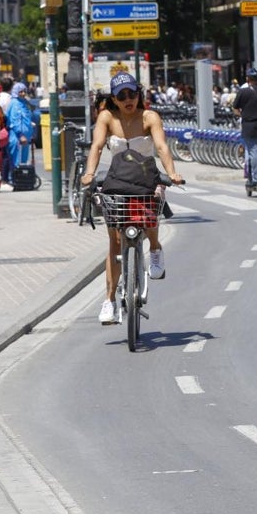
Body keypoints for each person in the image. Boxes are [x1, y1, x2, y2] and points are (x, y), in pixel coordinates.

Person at [80, 72, 184, 325]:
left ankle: (156, 249)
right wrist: (89, 173)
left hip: (146, 178)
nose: (128, 100)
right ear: (113, 99)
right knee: (115, 241)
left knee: (150, 213)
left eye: (132, 94)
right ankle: (109, 300)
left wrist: (171, 173)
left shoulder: (150, 117)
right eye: (121, 96)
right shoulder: (107, 117)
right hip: (117, 180)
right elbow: (96, 146)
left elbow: (161, 147)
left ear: (139, 94)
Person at [1, 82, 36, 191]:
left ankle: (22, 180)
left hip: (25, 136)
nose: (23, 93)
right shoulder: (15, 103)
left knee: (23, 161)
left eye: (24, 91)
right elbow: (15, 121)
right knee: (16, 160)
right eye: (20, 91)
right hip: (17, 137)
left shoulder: (23, 102)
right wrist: (20, 135)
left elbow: (26, 117)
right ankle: (15, 180)